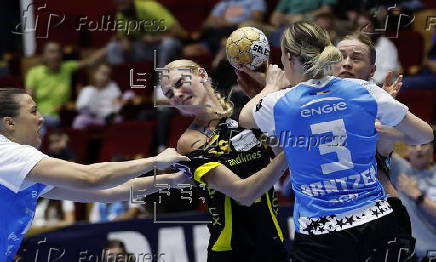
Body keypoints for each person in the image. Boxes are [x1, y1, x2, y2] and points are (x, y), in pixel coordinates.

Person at [239, 21, 433, 261]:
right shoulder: (364, 90)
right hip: (377, 221)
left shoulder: (280, 102)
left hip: (320, 232)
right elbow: (425, 134)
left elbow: (244, 117)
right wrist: (381, 120)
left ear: (288, 57)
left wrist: (269, 86)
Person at [0, 87, 190, 261]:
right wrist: (155, 161)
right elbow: (90, 177)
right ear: (9, 123)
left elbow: (107, 192)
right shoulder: (8, 153)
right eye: (33, 111)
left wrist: (172, 180)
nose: (41, 118)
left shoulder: (22, 169)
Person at [160, 60, 290, 262]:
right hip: (232, 253)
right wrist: (271, 89)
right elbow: (244, 193)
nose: (176, 95)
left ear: (202, 75)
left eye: (179, 84)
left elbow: (278, 149)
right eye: (169, 94)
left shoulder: (245, 108)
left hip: (272, 241)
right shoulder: (190, 141)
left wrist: (272, 95)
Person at [25, 42, 107, 129]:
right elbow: (28, 100)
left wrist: (107, 47)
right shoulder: (34, 73)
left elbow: (90, 62)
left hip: (62, 117)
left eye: (58, 52)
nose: (56, 55)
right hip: (41, 116)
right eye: (52, 52)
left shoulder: (67, 68)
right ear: (44, 55)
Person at [390, 138, 436, 260]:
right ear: (406, 149)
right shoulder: (399, 169)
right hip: (405, 253)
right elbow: (380, 145)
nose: (418, 149)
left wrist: (417, 195)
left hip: (432, 252)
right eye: (413, 144)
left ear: (432, 147)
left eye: (424, 143)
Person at [73, 63, 122, 129]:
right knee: (79, 120)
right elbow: (80, 108)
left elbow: (117, 106)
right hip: (94, 118)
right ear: (95, 74)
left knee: (118, 119)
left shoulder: (113, 87)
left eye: (108, 75)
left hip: (109, 118)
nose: (105, 77)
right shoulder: (87, 90)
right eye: (103, 73)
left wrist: (114, 111)